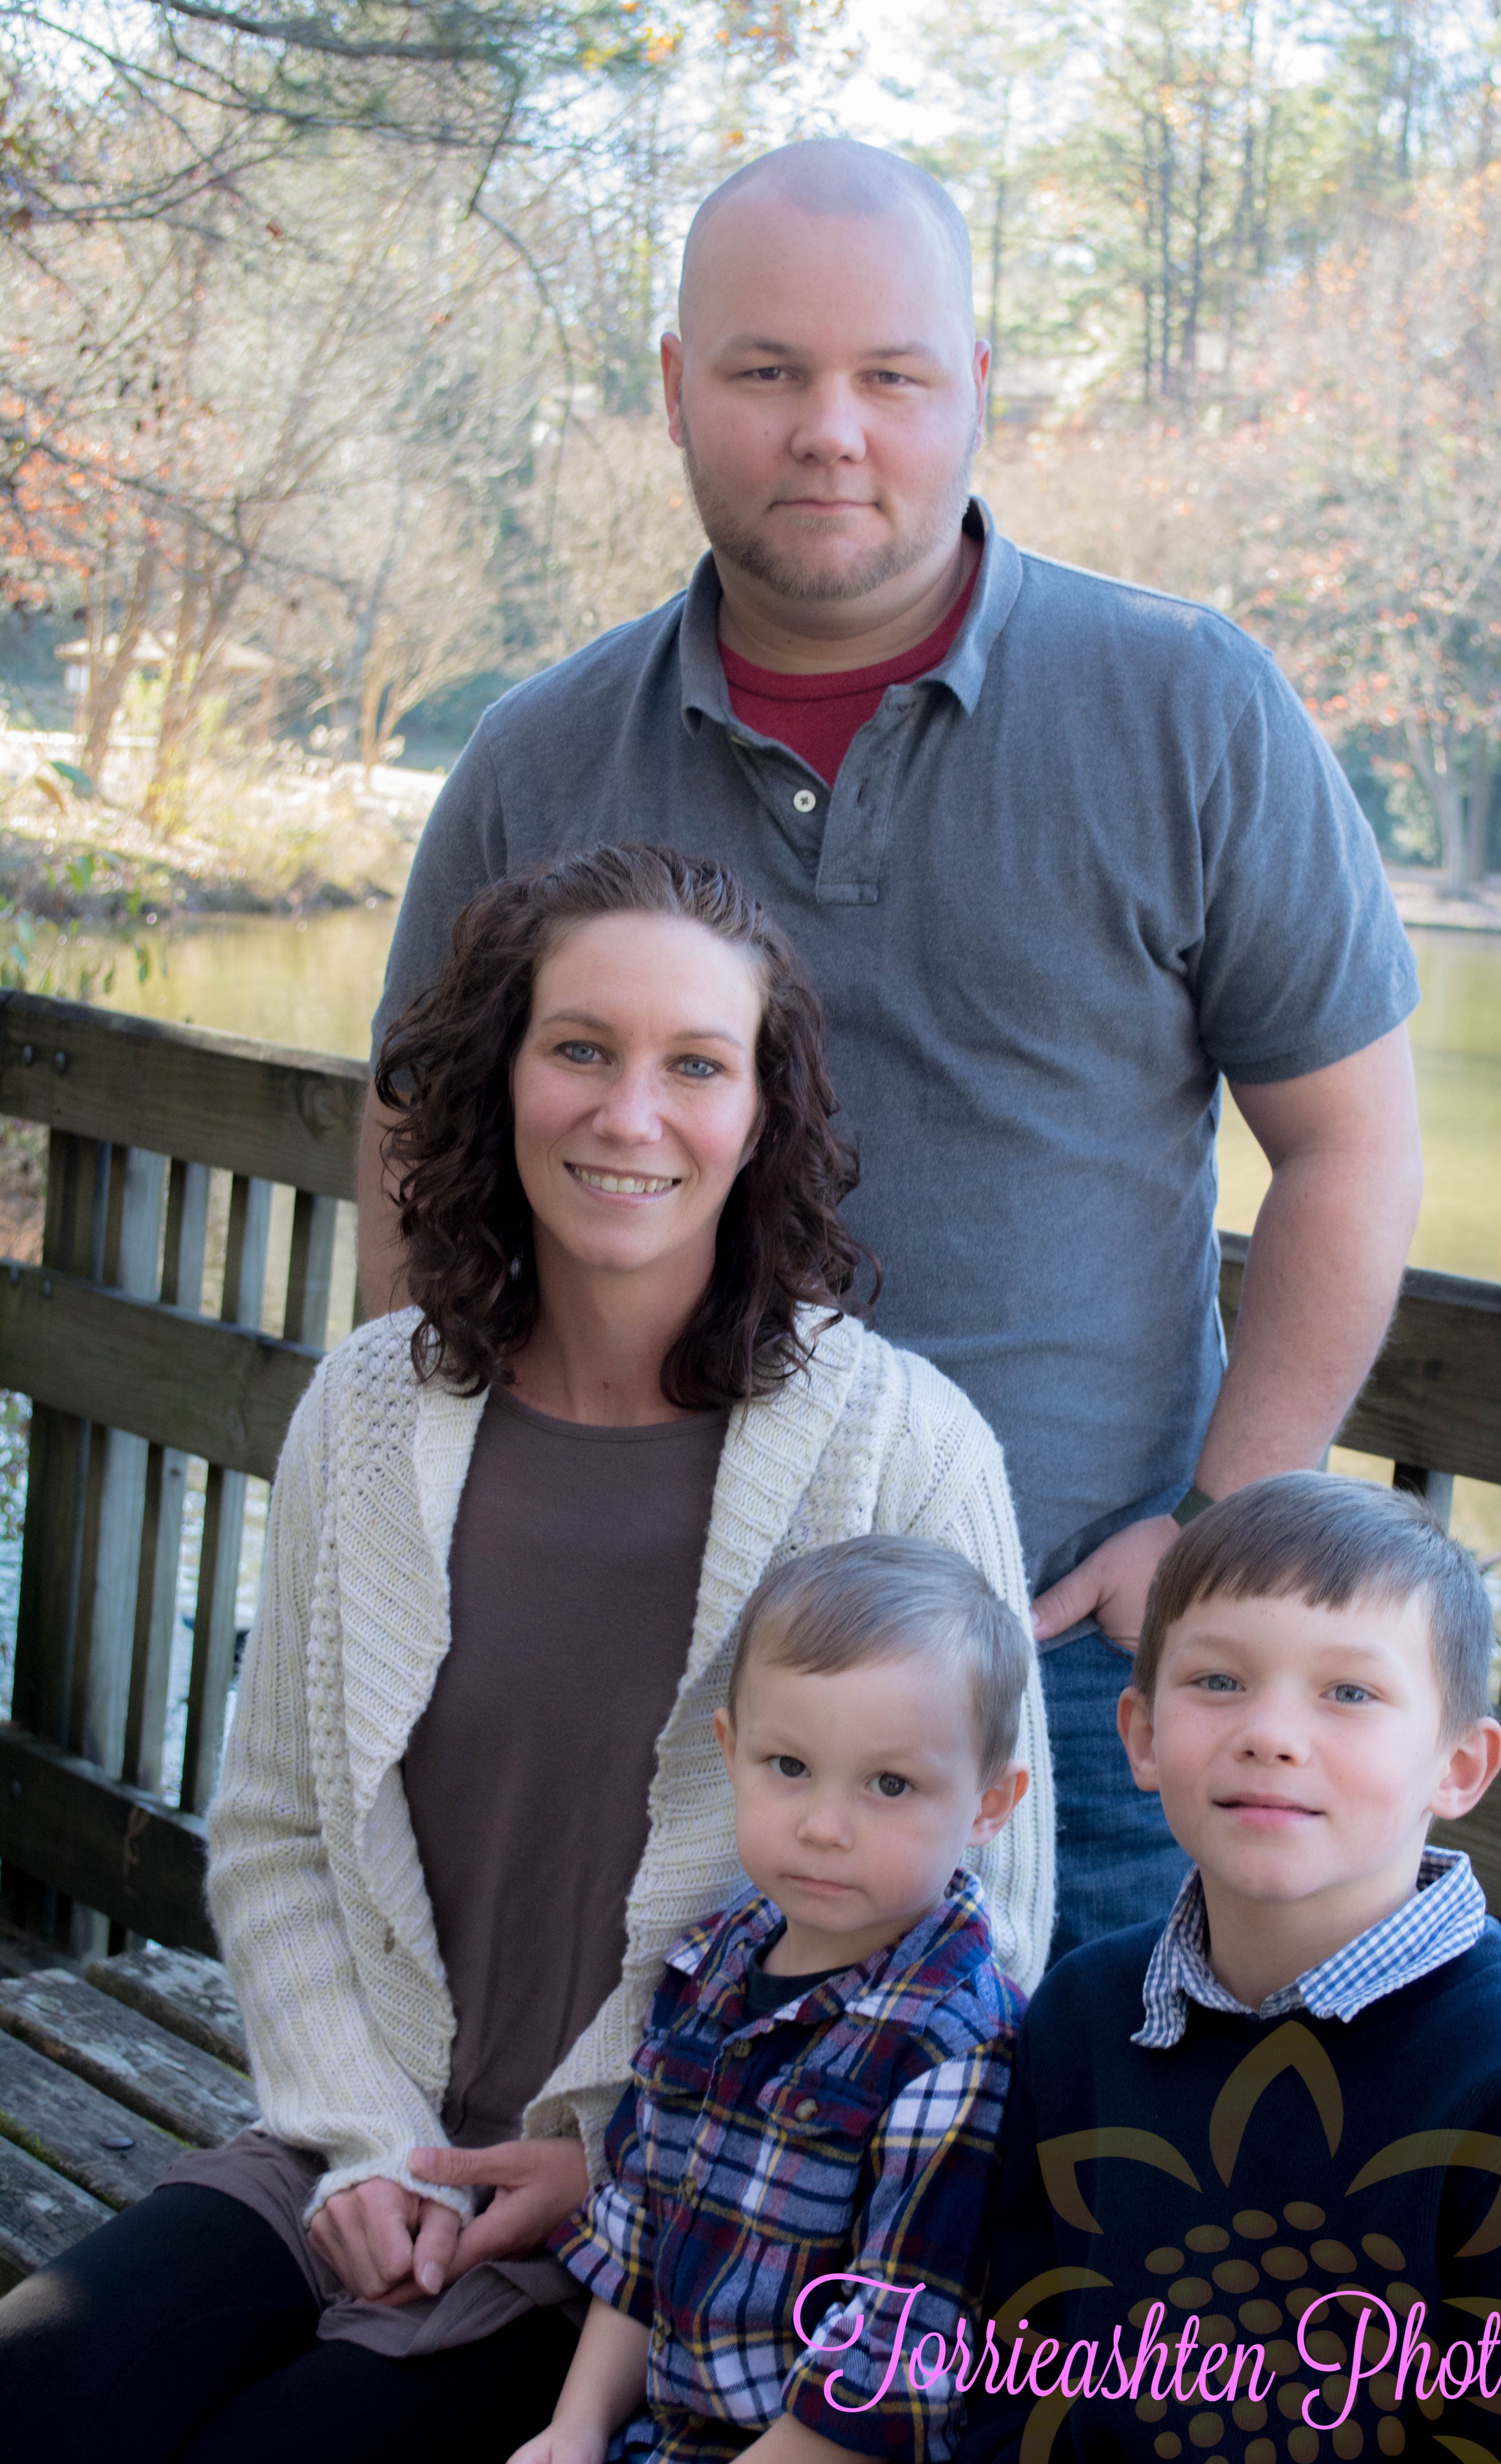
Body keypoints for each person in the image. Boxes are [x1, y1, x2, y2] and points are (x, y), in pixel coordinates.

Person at [356, 136, 1426, 1960]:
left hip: (1059, 1670)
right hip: (641, 1657)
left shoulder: (1191, 708)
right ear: (676, 390)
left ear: (977, 390)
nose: (829, 432)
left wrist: (1221, 1526)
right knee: (602, 2118)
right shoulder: (541, 757)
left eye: (893, 377)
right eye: (767, 371)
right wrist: (430, 1506)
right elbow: (414, 1142)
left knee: (1059, 2133)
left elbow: (1349, 1143)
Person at [0, 847, 1051, 2464]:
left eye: (695, 1064)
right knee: (30, 2412)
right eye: (580, 1048)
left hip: (638, 2255)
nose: (631, 1114)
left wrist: (615, 2162)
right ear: (499, 1076)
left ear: (764, 1110)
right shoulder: (373, 1408)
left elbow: (978, 1936)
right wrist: (365, 2146)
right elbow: (273, 1831)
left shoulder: (900, 1450)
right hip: (354, 2144)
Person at [891, 1474, 1501, 2464]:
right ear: (1141, 1735)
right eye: (1218, 1681)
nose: (1270, 1731)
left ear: (1459, 1767)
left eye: (1349, 1692)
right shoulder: (1083, 2021)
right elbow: (1023, 2368)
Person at [396, 1534, 1035, 2464]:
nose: (824, 1825)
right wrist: (576, 2431)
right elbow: (642, 2236)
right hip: (666, 2456)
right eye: (789, 1767)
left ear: (989, 1804)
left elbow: (884, 2388)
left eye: (889, 1785)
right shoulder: (714, 1964)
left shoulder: (956, 2045)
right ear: (731, 1751)